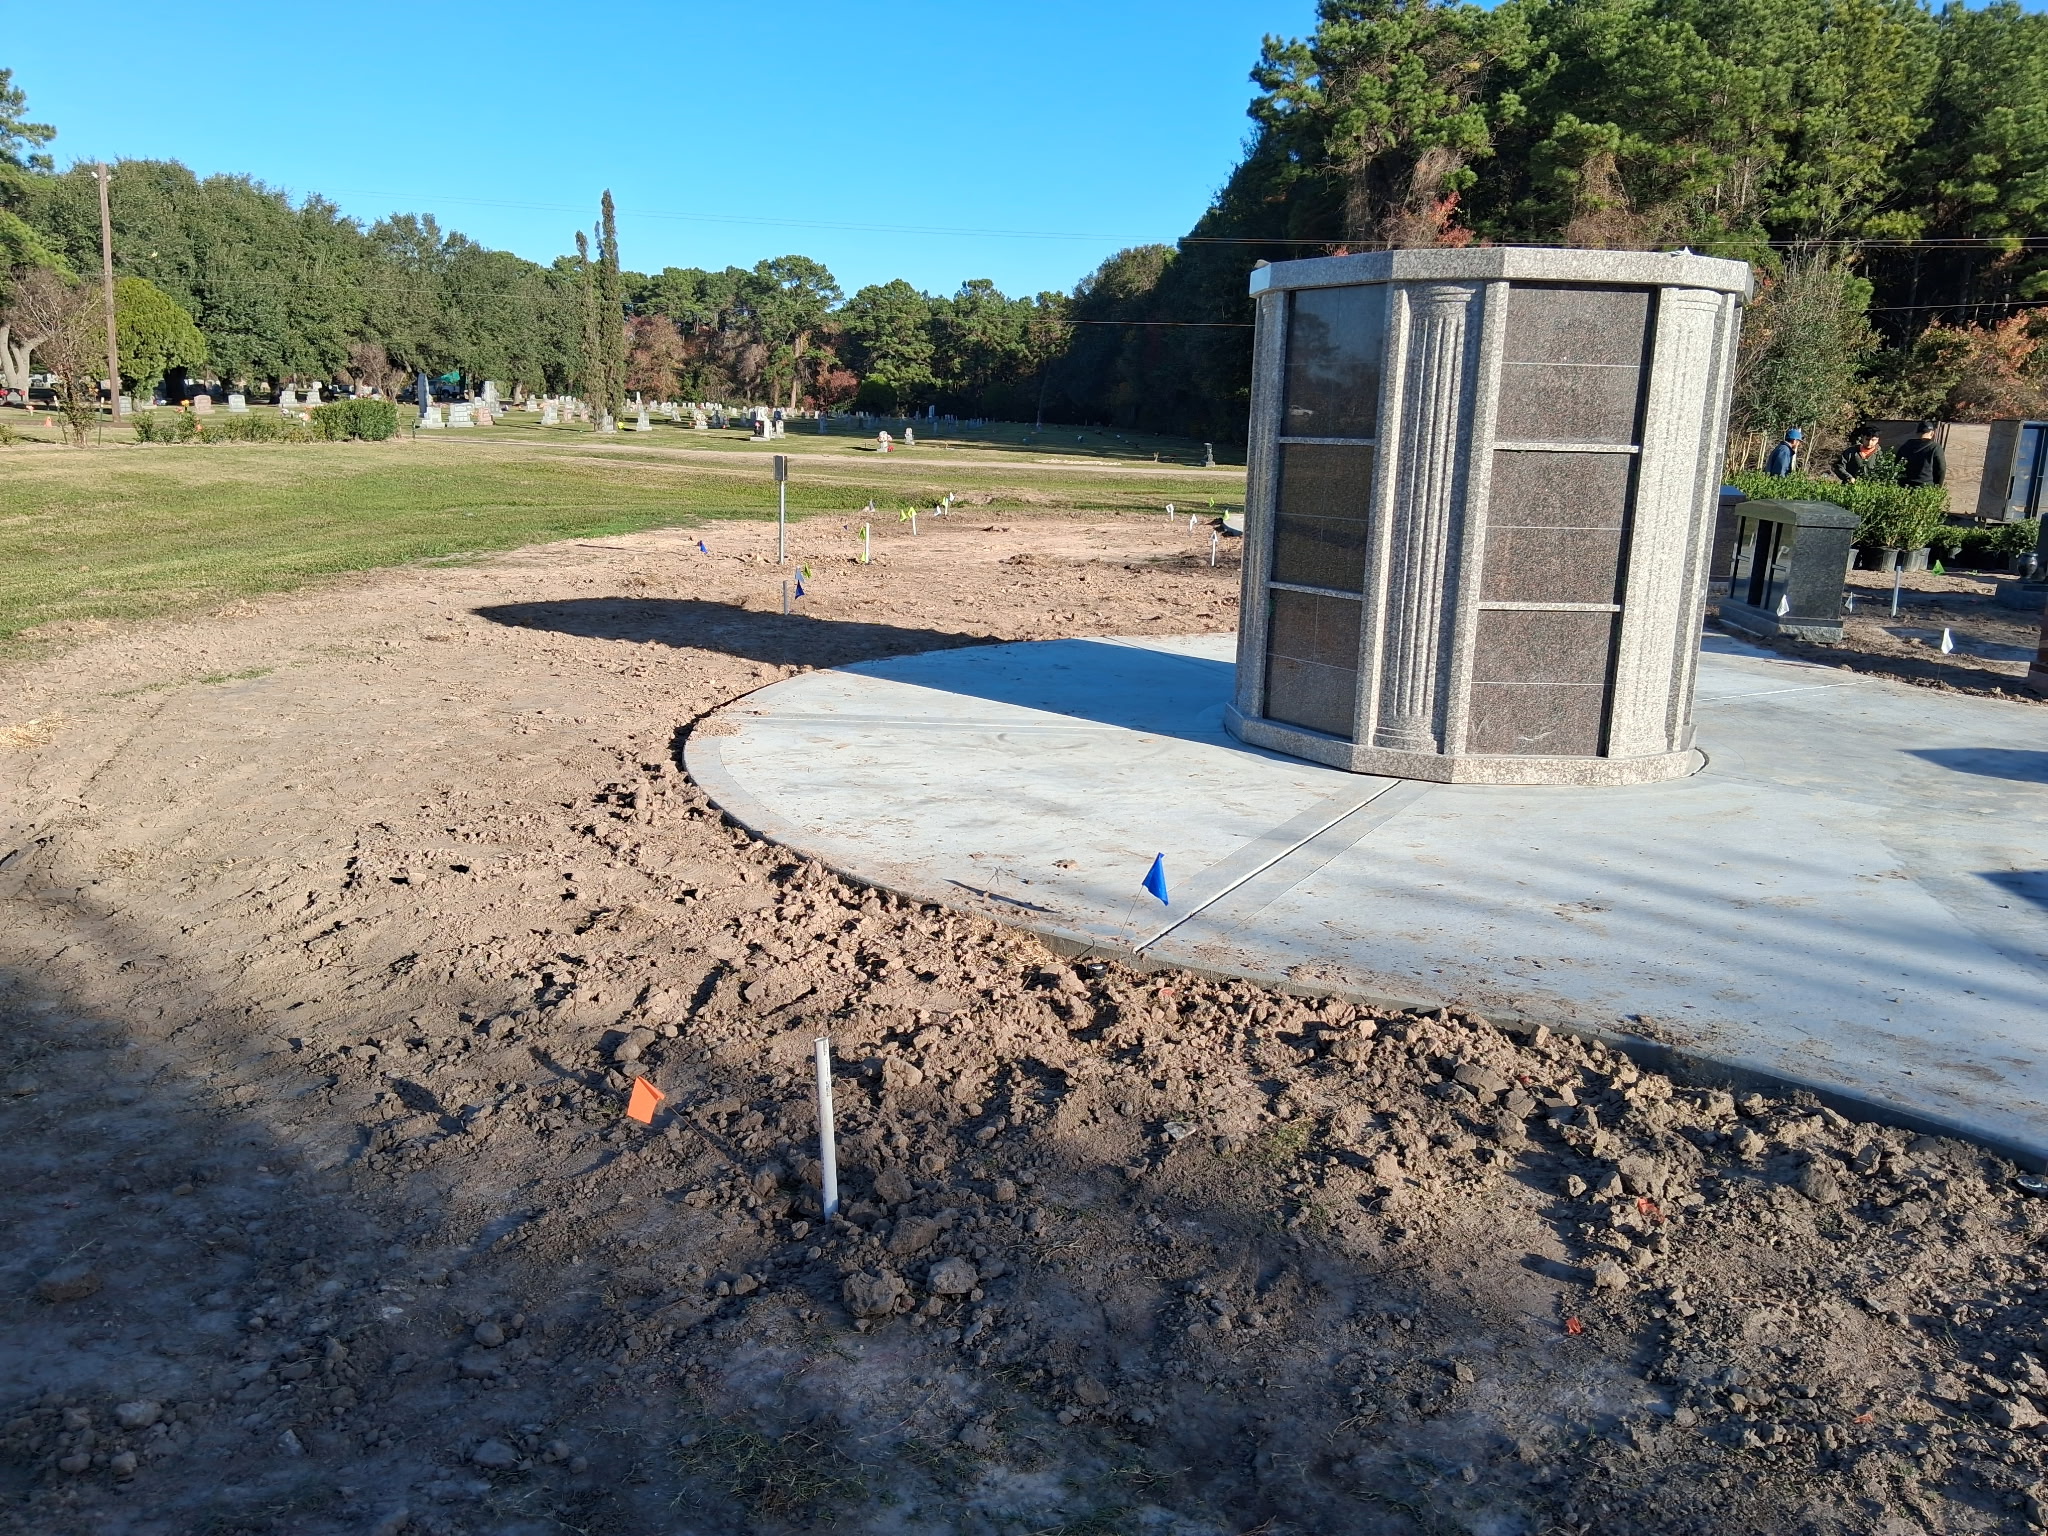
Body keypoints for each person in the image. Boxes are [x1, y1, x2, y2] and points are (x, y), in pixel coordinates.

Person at [1896, 420, 1946, 487]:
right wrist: (1938, 487)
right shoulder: (1935, 447)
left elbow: (1897, 464)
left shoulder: (1906, 446)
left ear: (1917, 433)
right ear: (1932, 433)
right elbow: (1941, 469)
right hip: (1925, 486)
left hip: (1905, 485)